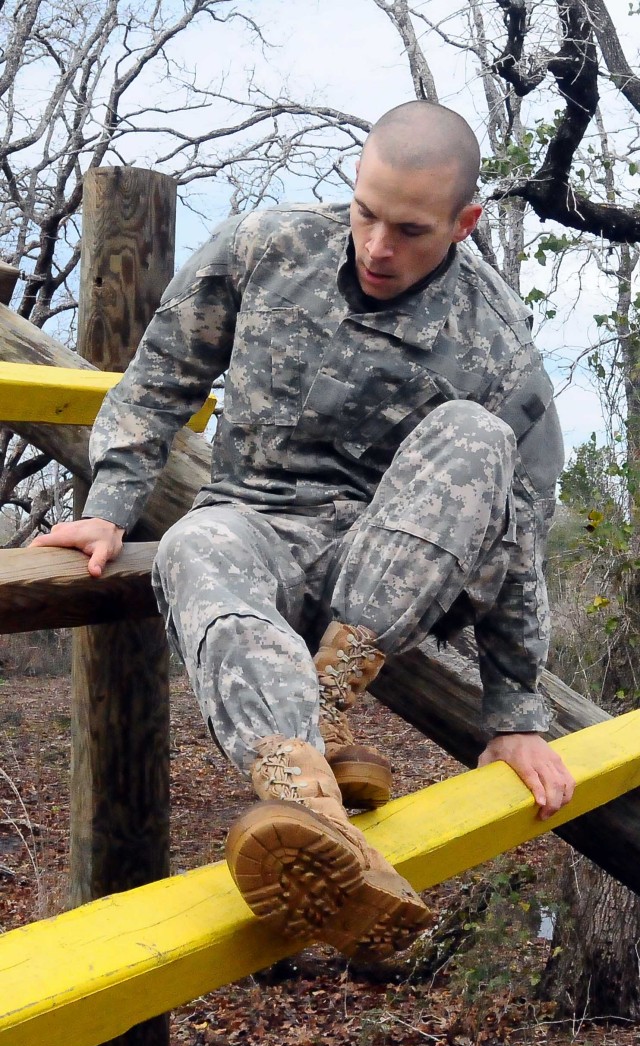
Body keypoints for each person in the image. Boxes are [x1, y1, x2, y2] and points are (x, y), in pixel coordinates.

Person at [32, 101, 575, 961]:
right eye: (365, 212)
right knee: (194, 544)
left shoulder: (496, 337)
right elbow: (165, 370)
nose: (378, 246)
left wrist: (513, 712)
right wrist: (111, 503)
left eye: (411, 229)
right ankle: (313, 809)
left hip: (393, 562)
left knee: (482, 435)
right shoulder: (267, 246)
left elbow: (522, 528)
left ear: (465, 225)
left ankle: (326, 702)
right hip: (255, 520)